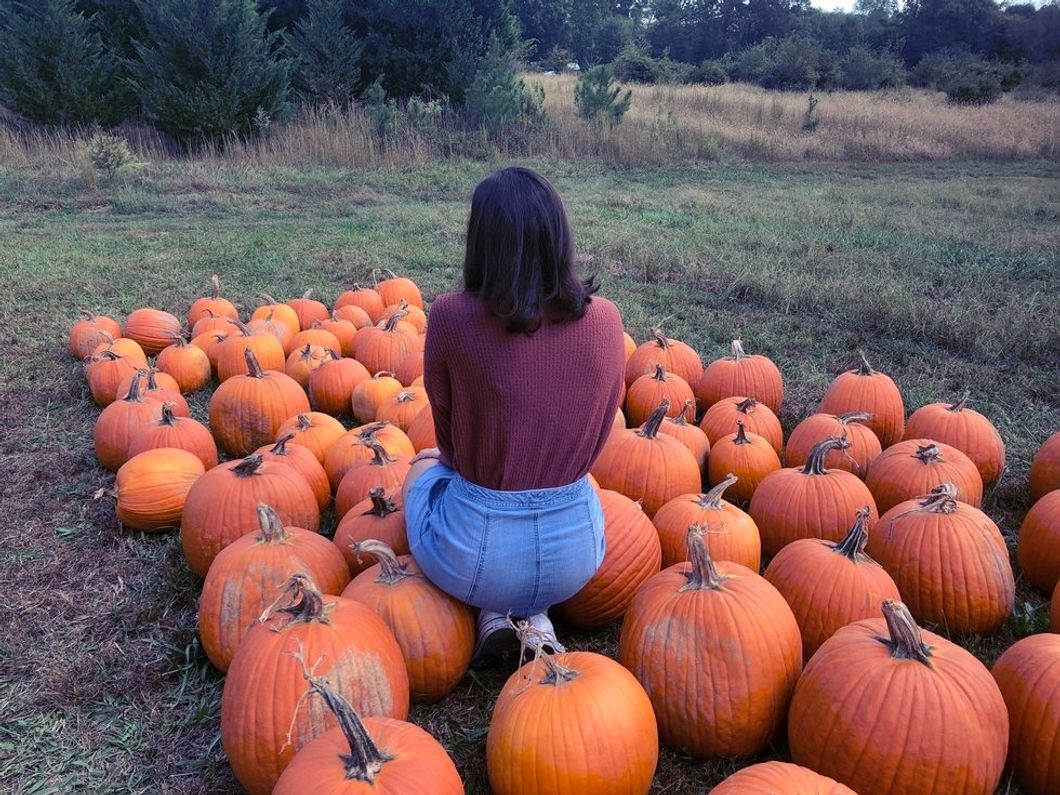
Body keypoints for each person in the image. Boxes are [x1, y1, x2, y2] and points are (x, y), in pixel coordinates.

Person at [403, 165, 626, 665]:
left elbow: (452, 446)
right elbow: (605, 421)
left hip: (477, 555)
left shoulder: (450, 317)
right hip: (578, 553)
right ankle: (537, 618)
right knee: (559, 494)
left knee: (422, 471)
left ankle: (493, 609)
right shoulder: (607, 320)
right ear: (559, 236)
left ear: (480, 242)